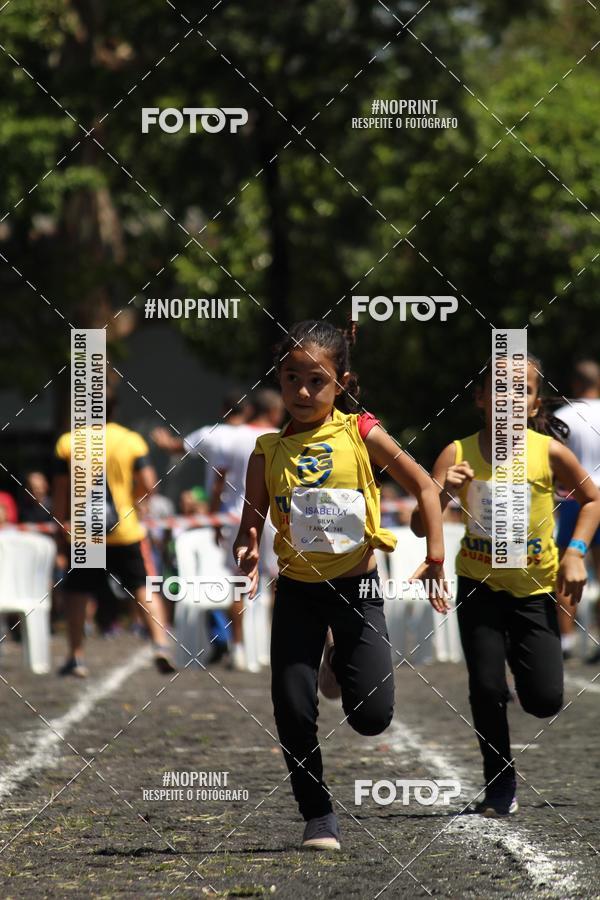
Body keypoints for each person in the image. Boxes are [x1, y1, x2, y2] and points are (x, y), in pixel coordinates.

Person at [233, 320, 447, 851]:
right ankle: (318, 816)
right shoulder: (266, 451)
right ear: (278, 380)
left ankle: (336, 661)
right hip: (297, 592)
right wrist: (247, 547)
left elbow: (424, 486)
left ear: (341, 382)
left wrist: (437, 556)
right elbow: (250, 521)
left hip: (358, 591)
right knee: (292, 708)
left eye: (317, 381)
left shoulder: (361, 433)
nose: (303, 392)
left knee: (372, 719)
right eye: (291, 379)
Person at [411, 353, 600, 817]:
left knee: (544, 700)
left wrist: (575, 551)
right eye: (500, 388)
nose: (511, 399)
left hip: (535, 591)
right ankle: (499, 784)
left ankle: (518, 666)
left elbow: (593, 501)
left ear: (535, 404)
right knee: (485, 686)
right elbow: (419, 523)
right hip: (479, 586)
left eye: (523, 391)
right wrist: (443, 490)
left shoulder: (550, 452)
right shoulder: (457, 452)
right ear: (480, 398)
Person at [53, 388, 176, 677]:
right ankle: (160, 645)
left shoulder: (68, 442)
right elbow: (149, 484)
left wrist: (60, 525)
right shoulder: (130, 440)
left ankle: (76, 657)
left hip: (85, 532)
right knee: (142, 586)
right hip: (125, 529)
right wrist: (137, 501)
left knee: (78, 592)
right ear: (114, 409)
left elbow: (61, 492)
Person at [212, 388, 284, 671]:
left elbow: (218, 481)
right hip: (274, 516)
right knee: (277, 581)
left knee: (239, 582)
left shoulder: (234, 437)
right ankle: (270, 646)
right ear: (275, 412)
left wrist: (214, 517)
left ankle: (239, 648)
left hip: (237, 515)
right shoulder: (282, 436)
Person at [554, 360, 600, 661]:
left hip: (575, 499)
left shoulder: (562, 416)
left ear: (575, 384)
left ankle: (566, 640)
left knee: (566, 568)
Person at [151, 390, 252, 503]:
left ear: (223, 410)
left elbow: (175, 447)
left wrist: (164, 441)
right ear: (248, 410)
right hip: (251, 508)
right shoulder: (257, 437)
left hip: (219, 508)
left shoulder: (210, 434)